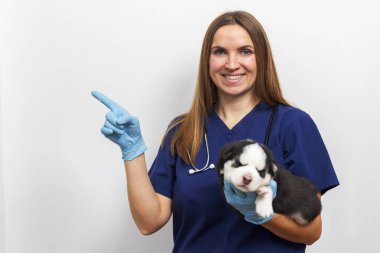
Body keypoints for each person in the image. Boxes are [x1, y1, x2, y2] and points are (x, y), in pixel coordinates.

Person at [92, 10, 339, 253]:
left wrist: (259, 214)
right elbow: (149, 221)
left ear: (261, 59)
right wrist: (132, 151)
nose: (232, 64)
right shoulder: (183, 131)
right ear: (207, 60)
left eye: (245, 51)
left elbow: (312, 230)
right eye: (220, 52)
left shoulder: (293, 125)